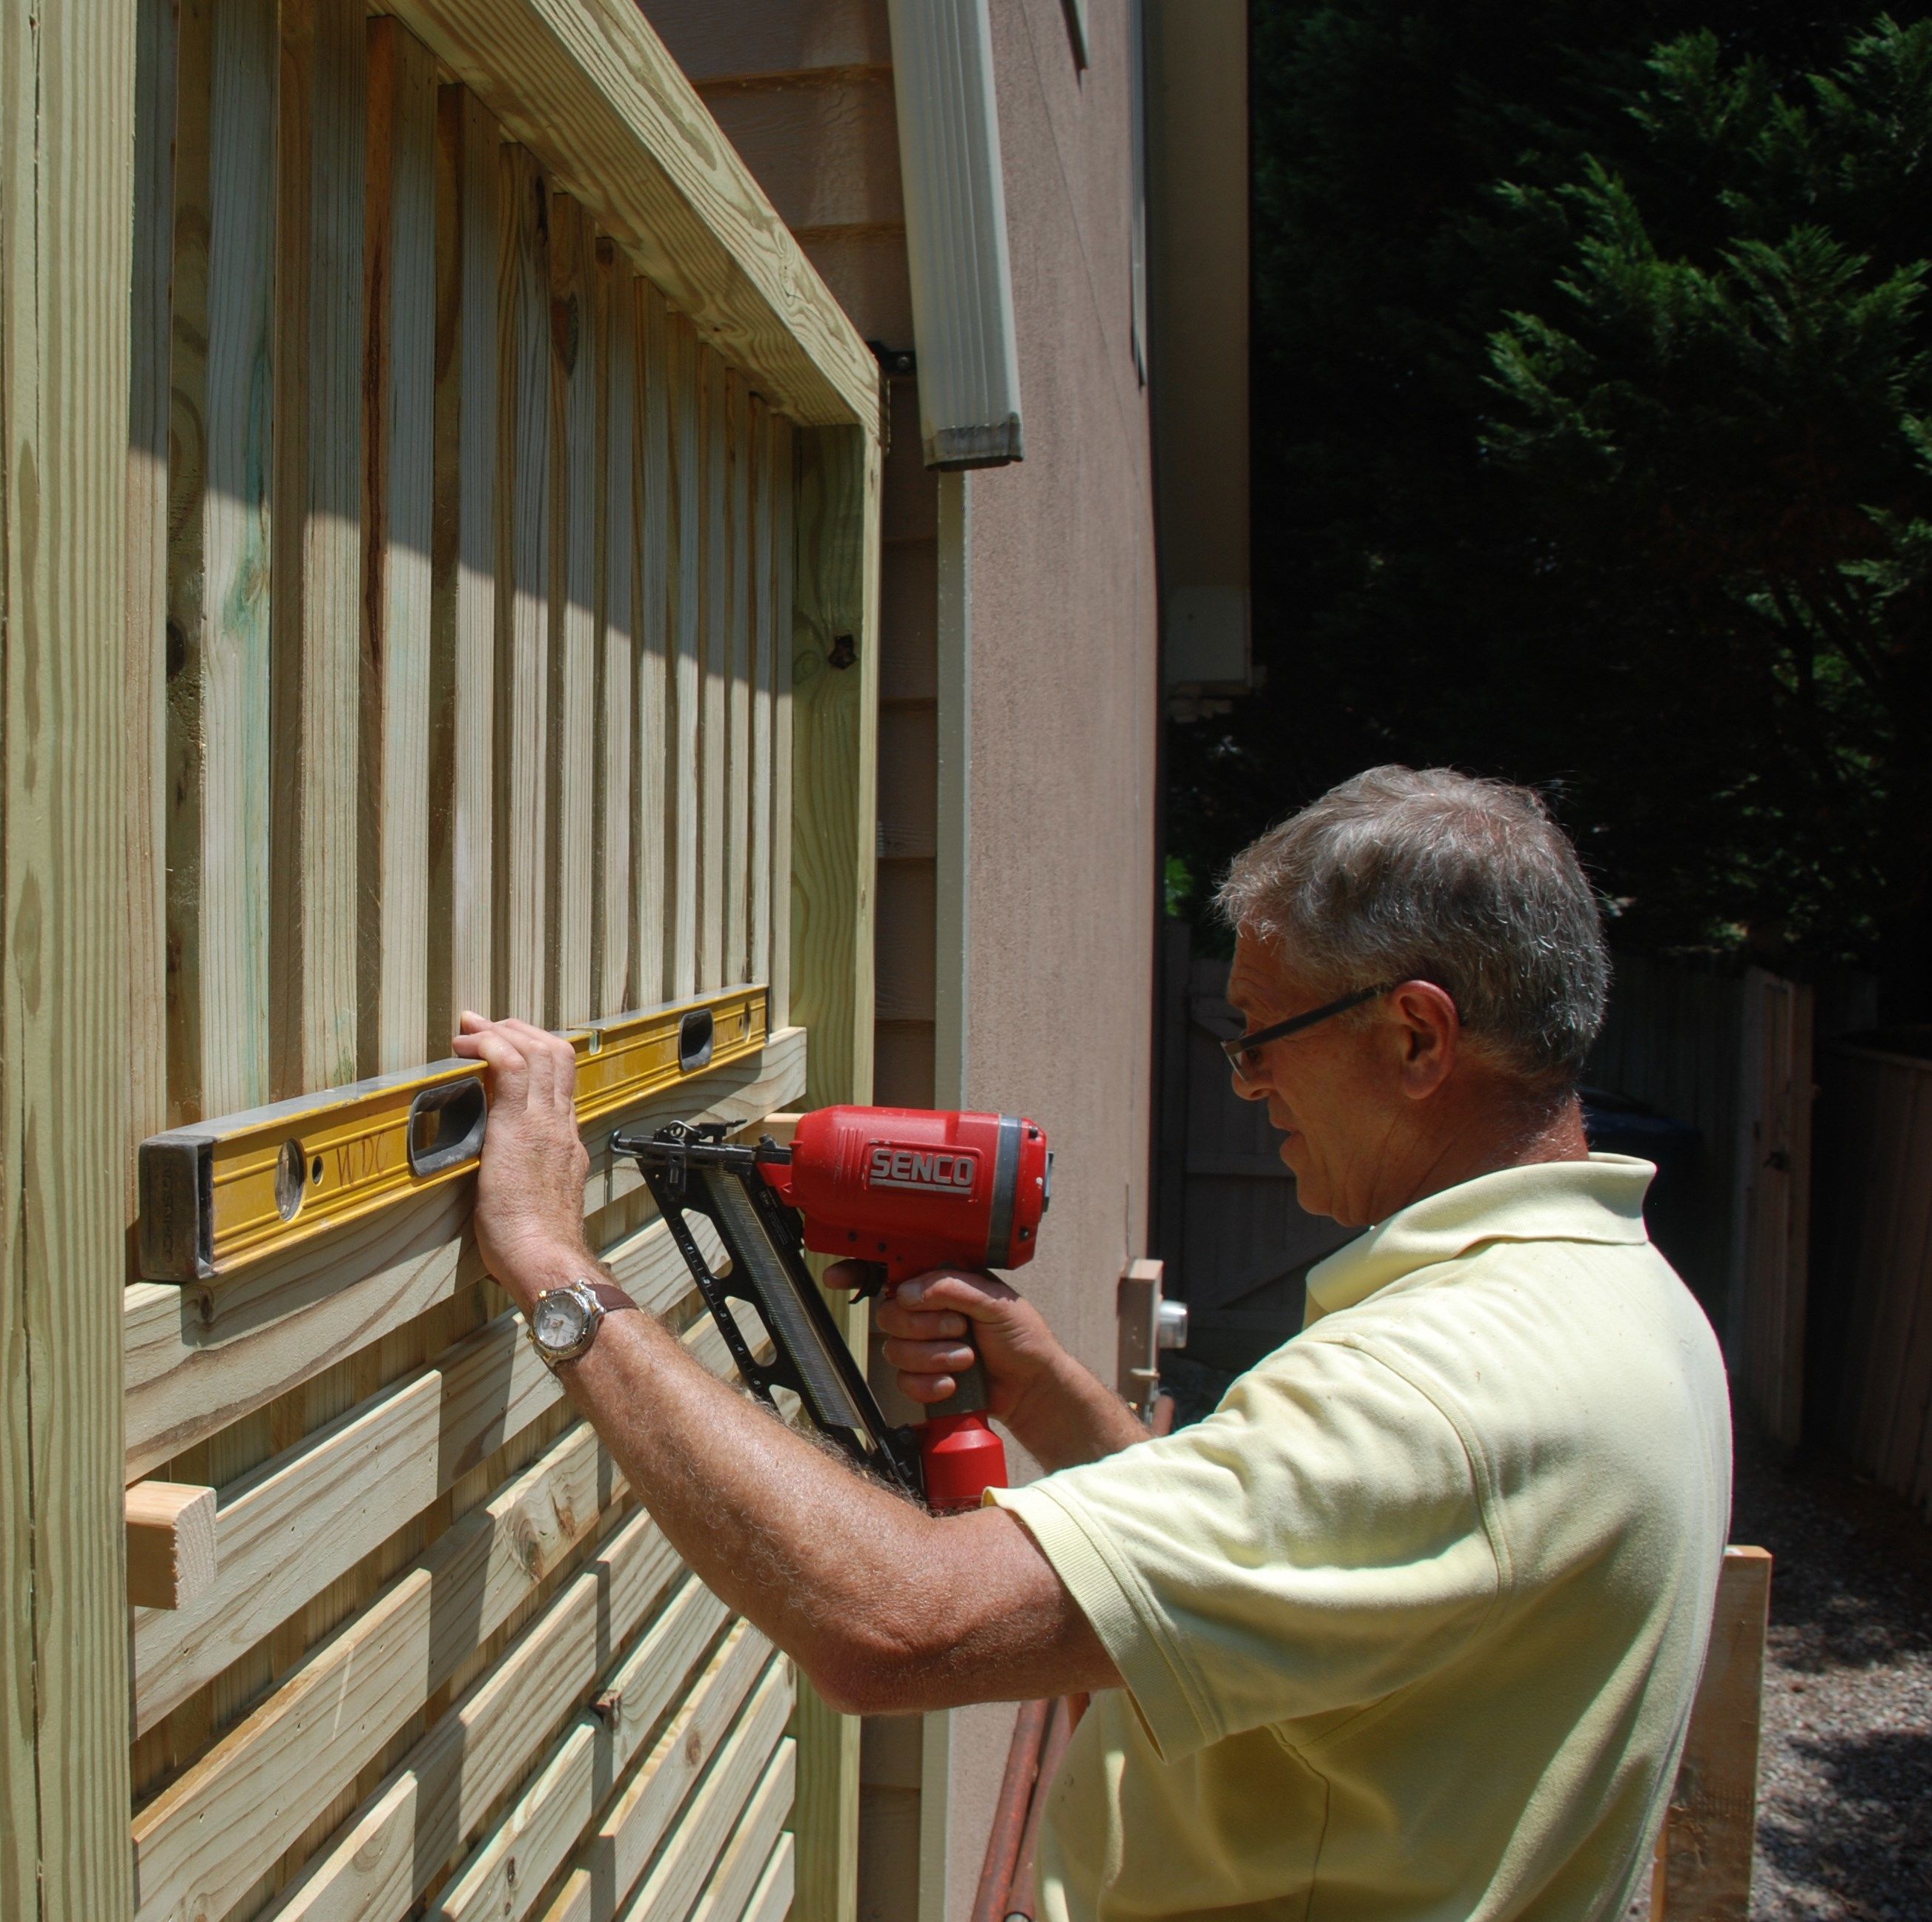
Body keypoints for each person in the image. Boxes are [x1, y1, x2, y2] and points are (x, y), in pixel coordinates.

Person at [451, 765, 1730, 1922]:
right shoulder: (1632, 1306)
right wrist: (1054, 1397)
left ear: (1416, 1035)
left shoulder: (1443, 1391)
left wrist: (556, 1266)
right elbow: (1302, 1571)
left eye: (1259, 1039)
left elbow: (894, 1627)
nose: (1248, 1084)